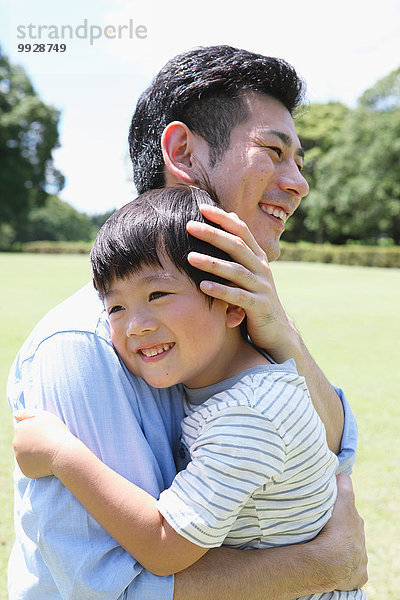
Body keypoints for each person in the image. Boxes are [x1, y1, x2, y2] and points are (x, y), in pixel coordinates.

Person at [7, 45, 367, 599]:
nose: (299, 183)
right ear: (184, 152)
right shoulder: (85, 346)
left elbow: (335, 450)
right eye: (273, 151)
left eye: (299, 160)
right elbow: (107, 588)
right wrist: (324, 565)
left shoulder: (239, 308)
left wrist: (284, 337)